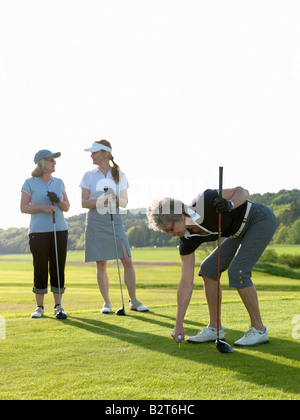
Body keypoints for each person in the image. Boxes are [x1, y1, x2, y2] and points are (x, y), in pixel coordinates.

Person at [147, 187, 277, 347]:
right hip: (238, 233)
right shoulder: (187, 240)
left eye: (170, 229)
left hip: (259, 219)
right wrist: (178, 323)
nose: (169, 234)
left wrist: (229, 204)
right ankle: (215, 327)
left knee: (238, 271)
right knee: (208, 269)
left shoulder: (205, 201)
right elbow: (185, 283)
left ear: (181, 216)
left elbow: (242, 191)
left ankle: (259, 330)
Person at [80, 139, 148, 314]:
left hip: (115, 220)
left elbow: (124, 202)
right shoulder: (89, 175)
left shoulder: (119, 174)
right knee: (101, 263)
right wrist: (103, 200)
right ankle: (107, 303)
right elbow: (84, 203)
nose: (92, 155)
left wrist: (114, 198)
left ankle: (133, 300)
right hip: (96, 221)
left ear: (105, 153)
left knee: (126, 259)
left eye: (94, 152)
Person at [21, 149, 70, 318]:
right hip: (38, 232)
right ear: (42, 163)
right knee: (40, 267)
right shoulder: (29, 183)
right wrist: (43, 207)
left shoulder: (59, 182)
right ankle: (40, 307)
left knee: (58, 267)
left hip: (60, 230)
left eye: (54, 160)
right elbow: (23, 207)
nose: (54, 162)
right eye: (51, 160)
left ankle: (58, 306)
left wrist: (57, 200)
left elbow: (67, 207)